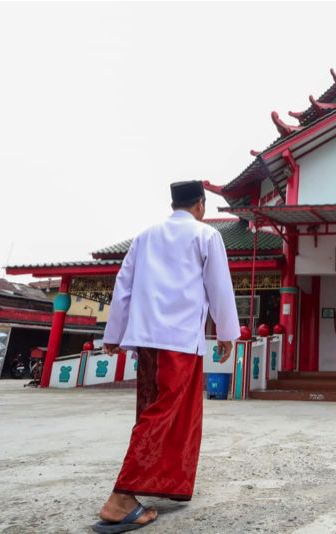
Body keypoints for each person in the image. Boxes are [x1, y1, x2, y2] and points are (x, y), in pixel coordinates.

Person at [92, 180, 240, 533]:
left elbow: (122, 285)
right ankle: (122, 497)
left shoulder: (144, 237)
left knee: (155, 409)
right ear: (201, 205)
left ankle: (167, 484)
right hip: (180, 340)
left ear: (174, 203)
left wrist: (114, 334)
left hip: (147, 340)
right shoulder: (206, 236)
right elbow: (219, 286)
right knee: (167, 414)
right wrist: (227, 332)